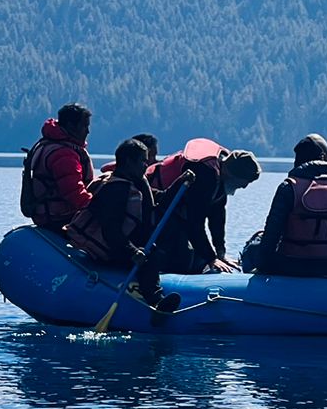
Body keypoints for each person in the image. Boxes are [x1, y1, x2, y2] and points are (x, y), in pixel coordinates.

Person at [62, 137, 179, 312]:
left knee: (158, 251)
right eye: (142, 160)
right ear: (129, 162)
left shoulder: (134, 183)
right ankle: (155, 300)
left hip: (118, 244)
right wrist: (133, 252)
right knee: (151, 258)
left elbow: (158, 201)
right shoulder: (115, 189)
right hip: (104, 249)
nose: (146, 165)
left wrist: (181, 182)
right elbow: (111, 231)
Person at [254, 134, 327, 277]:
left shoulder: (289, 187)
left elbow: (271, 235)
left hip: (292, 266)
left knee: (253, 247)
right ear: (325, 157)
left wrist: (263, 268)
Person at [148, 138, 263, 274]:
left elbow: (217, 217)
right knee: (185, 258)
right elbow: (194, 223)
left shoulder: (221, 175)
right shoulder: (205, 174)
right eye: (245, 181)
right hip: (157, 205)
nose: (244, 187)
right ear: (233, 174)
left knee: (198, 256)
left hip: (178, 212)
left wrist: (220, 253)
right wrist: (211, 258)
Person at [19, 103, 94, 229]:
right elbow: (75, 194)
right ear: (71, 126)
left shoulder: (48, 144)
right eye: (84, 126)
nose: (87, 131)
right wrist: (99, 208)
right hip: (60, 219)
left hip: (47, 216)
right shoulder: (63, 155)